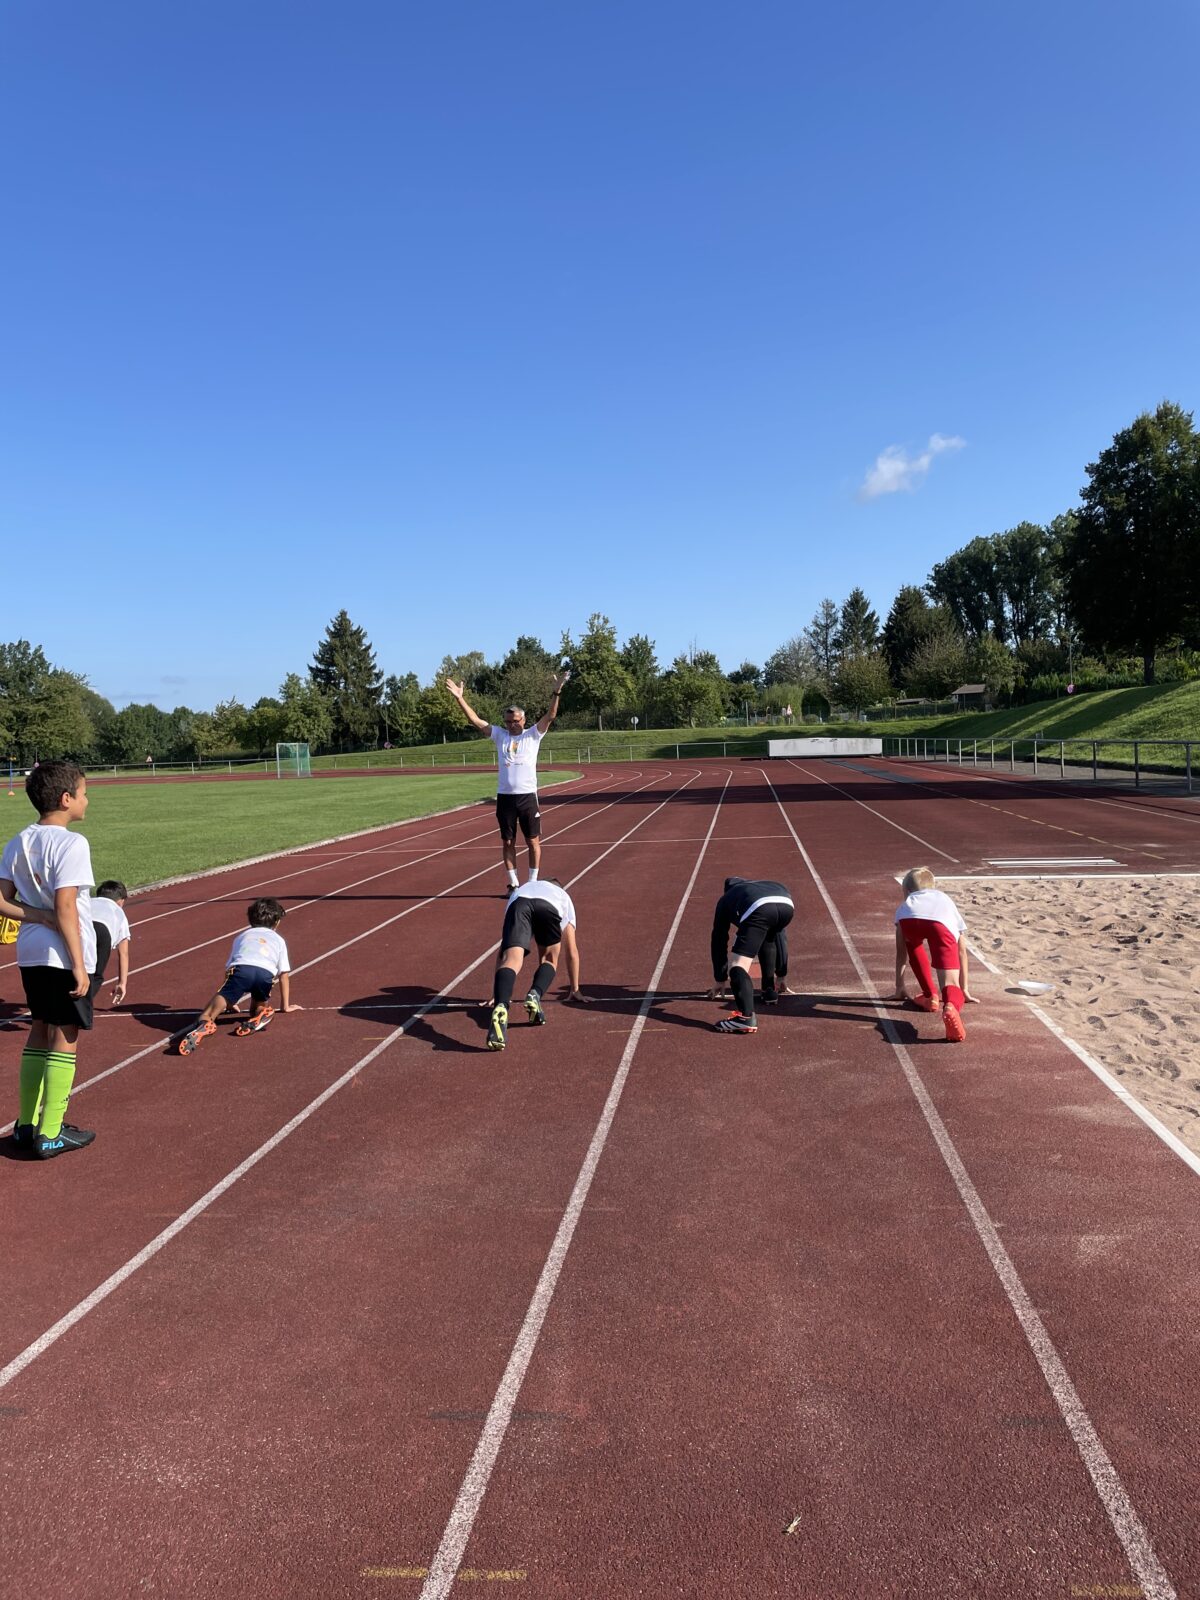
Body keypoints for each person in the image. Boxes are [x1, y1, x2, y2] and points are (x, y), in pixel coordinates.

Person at [0, 760, 98, 1158]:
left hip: (30, 951)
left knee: (40, 1028)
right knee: (66, 1036)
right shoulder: (72, 843)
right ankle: (51, 1131)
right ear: (66, 798)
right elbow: (66, 905)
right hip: (62, 954)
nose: (87, 799)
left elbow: (2, 901)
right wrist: (78, 963)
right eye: (84, 792)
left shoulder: (17, 841)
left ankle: (26, 1125)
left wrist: (36, 917)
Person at [445, 670, 570, 891]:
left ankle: (532, 883)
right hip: (505, 798)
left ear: (523, 719)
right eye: (508, 721)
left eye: (515, 721)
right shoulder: (499, 735)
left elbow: (550, 716)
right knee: (508, 842)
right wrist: (460, 698)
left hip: (527, 797)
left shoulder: (533, 734)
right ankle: (513, 883)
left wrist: (556, 691)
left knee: (533, 841)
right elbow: (474, 720)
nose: (511, 725)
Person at [174, 897, 301, 1055]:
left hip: (241, 971)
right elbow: (284, 975)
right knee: (257, 1005)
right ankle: (261, 1012)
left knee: (208, 1012)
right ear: (276, 922)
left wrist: (229, 1000)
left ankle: (205, 1023)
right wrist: (285, 1006)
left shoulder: (242, 936)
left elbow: (229, 969)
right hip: (265, 974)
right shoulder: (279, 941)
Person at [486, 878, 582, 1051]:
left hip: (519, 905)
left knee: (512, 959)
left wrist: (498, 994)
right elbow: (572, 951)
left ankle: (501, 1006)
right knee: (549, 959)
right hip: (549, 908)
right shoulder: (563, 896)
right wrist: (575, 989)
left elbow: (502, 952)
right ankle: (534, 994)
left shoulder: (522, 889)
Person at [893, 866, 977, 1042]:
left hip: (909, 920)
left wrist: (899, 987)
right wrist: (964, 989)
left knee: (913, 946)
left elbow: (901, 955)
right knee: (949, 982)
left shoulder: (905, 906)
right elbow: (961, 950)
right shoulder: (944, 899)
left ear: (907, 891)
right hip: (940, 925)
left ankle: (930, 995)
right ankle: (951, 1006)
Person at [708, 876, 794, 1034]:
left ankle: (744, 1018)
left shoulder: (726, 899)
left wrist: (720, 977)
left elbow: (719, 939)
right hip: (787, 904)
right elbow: (780, 938)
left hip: (759, 908)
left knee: (738, 965)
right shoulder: (758, 887)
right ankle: (769, 991)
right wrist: (781, 975)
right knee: (769, 937)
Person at [89, 879, 131, 1007]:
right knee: (95, 976)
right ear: (121, 901)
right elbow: (123, 953)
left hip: (81, 928)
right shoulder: (119, 912)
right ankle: (78, 1010)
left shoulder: (88, 902)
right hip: (102, 932)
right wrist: (121, 983)